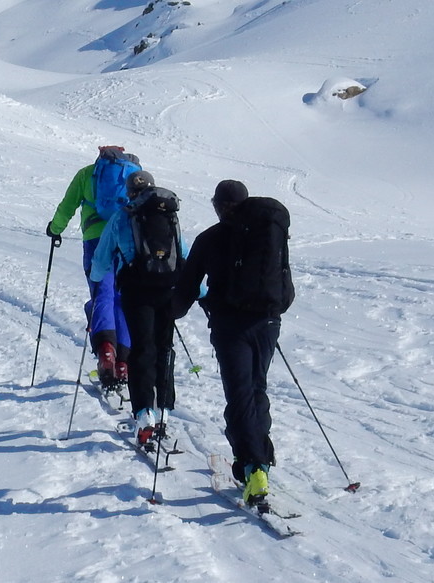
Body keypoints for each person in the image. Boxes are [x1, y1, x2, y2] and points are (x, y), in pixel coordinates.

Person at [171, 179, 294, 510]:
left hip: (231, 327)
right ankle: (259, 462)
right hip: (268, 322)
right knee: (257, 389)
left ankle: (254, 469)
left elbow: (185, 290)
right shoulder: (267, 232)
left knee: (239, 395)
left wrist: (167, 312)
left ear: (218, 205)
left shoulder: (210, 239)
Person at [46, 146, 134, 390]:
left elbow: (67, 206)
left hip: (96, 240)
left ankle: (106, 352)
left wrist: (55, 229)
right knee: (122, 299)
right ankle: (124, 362)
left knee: (101, 295)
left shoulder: (87, 174)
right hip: (125, 243)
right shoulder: (131, 174)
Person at [109, 170, 185, 451]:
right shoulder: (169, 213)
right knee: (164, 348)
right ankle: (164, 410)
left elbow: (106, 253)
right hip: (168, 288)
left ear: (130, 191)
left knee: (142, 349)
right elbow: (182, 250)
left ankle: (144, 414)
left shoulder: (124, 215)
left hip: (136, 290)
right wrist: (198, 292)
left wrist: (96, 278)